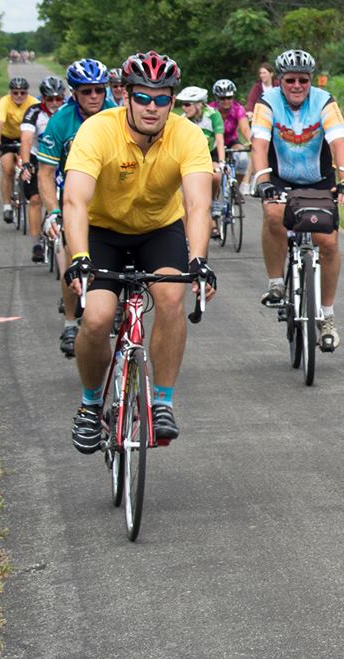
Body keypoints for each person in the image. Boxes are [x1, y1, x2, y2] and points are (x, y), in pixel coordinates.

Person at [63, 50, 215, 453]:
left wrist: (198, 260)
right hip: (102, 230)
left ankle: (162, 401)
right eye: (143, 97)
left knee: (169, 296)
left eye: (162, 98)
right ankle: (90, 406)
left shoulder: (188, 135)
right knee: (96, 318)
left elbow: (199, 204)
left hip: (158, 229)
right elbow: (75, 201)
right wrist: (79, 257)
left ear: (172, 101)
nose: (152, 107)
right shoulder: (97, 131)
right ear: (125, 96)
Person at [250, 49, 344, 350]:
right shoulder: (267, 101)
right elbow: (259, 145)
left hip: (318, 180)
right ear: (280, 80)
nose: (297, 86)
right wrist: (263, 181)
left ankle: (328, 316)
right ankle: (275, 283)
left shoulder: (324, 101)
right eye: (291, 80)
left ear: (311, 81)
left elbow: (338, 143)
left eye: (303, 80)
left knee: (329, 242)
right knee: (273, 215)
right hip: (280, 177)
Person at [36, 58, 115, 357]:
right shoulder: (60, 122)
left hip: (112, 198)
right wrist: (53, 211)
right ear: (74, 93)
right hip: (74, 198)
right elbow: (45, 173)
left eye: (99, 90)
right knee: (72, 257)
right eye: (86, 91)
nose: (94, 96)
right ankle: (70, 323)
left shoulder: (117, 115)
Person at [18, 76, 67, 262]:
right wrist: (25, 163)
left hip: (62, 157)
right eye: (50, 99)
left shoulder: (67, 110)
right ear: (43, 98)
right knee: (36, 199)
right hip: (37, 156)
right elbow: (26, 139)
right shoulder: (34, 112)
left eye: (58, 99)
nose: (54, 103)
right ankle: (36, 243)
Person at [177, 86, 226, 237]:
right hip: (192, 155)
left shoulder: (212, 115)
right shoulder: (183, 120)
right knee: (186, 196)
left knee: (216, 175)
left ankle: (213, 200)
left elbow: (219, 138)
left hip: (210, 153)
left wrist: (222, 161)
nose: (184, 108)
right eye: (183, 104)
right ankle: (185, 238)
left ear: (199, 104)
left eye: (187, 104)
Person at [0, 76, 39, 224]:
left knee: (31, 167)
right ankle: (7, 206)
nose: (19, 96)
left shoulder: (33, 103)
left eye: (22, 93)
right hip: (8, 138)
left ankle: (28, 194)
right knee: (8, 169)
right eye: (15, 93)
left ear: (27, 93)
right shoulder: (4, 102)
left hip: (27, 137)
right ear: (10, 93)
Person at [210, 78, 251, 191]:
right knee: (214, 170)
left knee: (243, 158)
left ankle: (235, 187)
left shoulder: (238, 109)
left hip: (231, 140)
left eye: (229, 97)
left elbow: (244, 128)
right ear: (216, 98)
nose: (226, 101)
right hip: (215, 142)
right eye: (222, 98)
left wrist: (250, 140)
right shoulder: (211, 110)